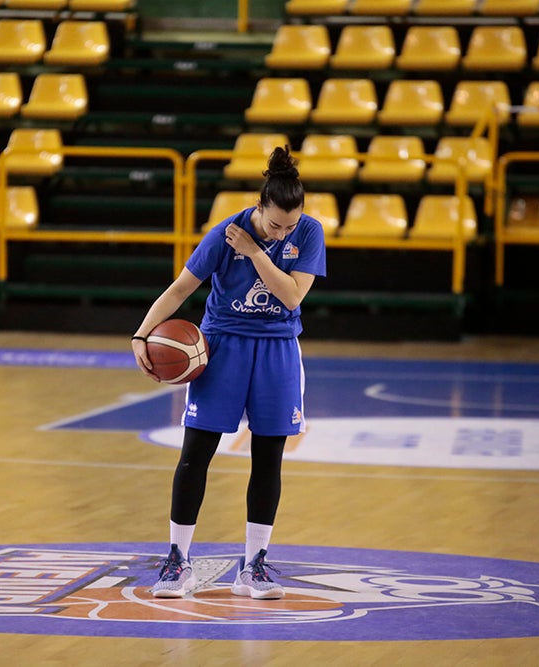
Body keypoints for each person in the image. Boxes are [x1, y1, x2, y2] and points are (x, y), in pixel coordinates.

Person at [130, 146, 327, 600]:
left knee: (268, 458)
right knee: (196, 453)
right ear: (260, 206)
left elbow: (292, 297)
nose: (283, 232)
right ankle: (177, 561)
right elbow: (180, 288)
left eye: (290, 225)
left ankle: (253, 566)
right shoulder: (225, 233)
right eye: (275, 225)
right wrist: (142, 334)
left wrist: (256, 252)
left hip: (278, 349)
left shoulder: (309, 232)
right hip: (223, 347)